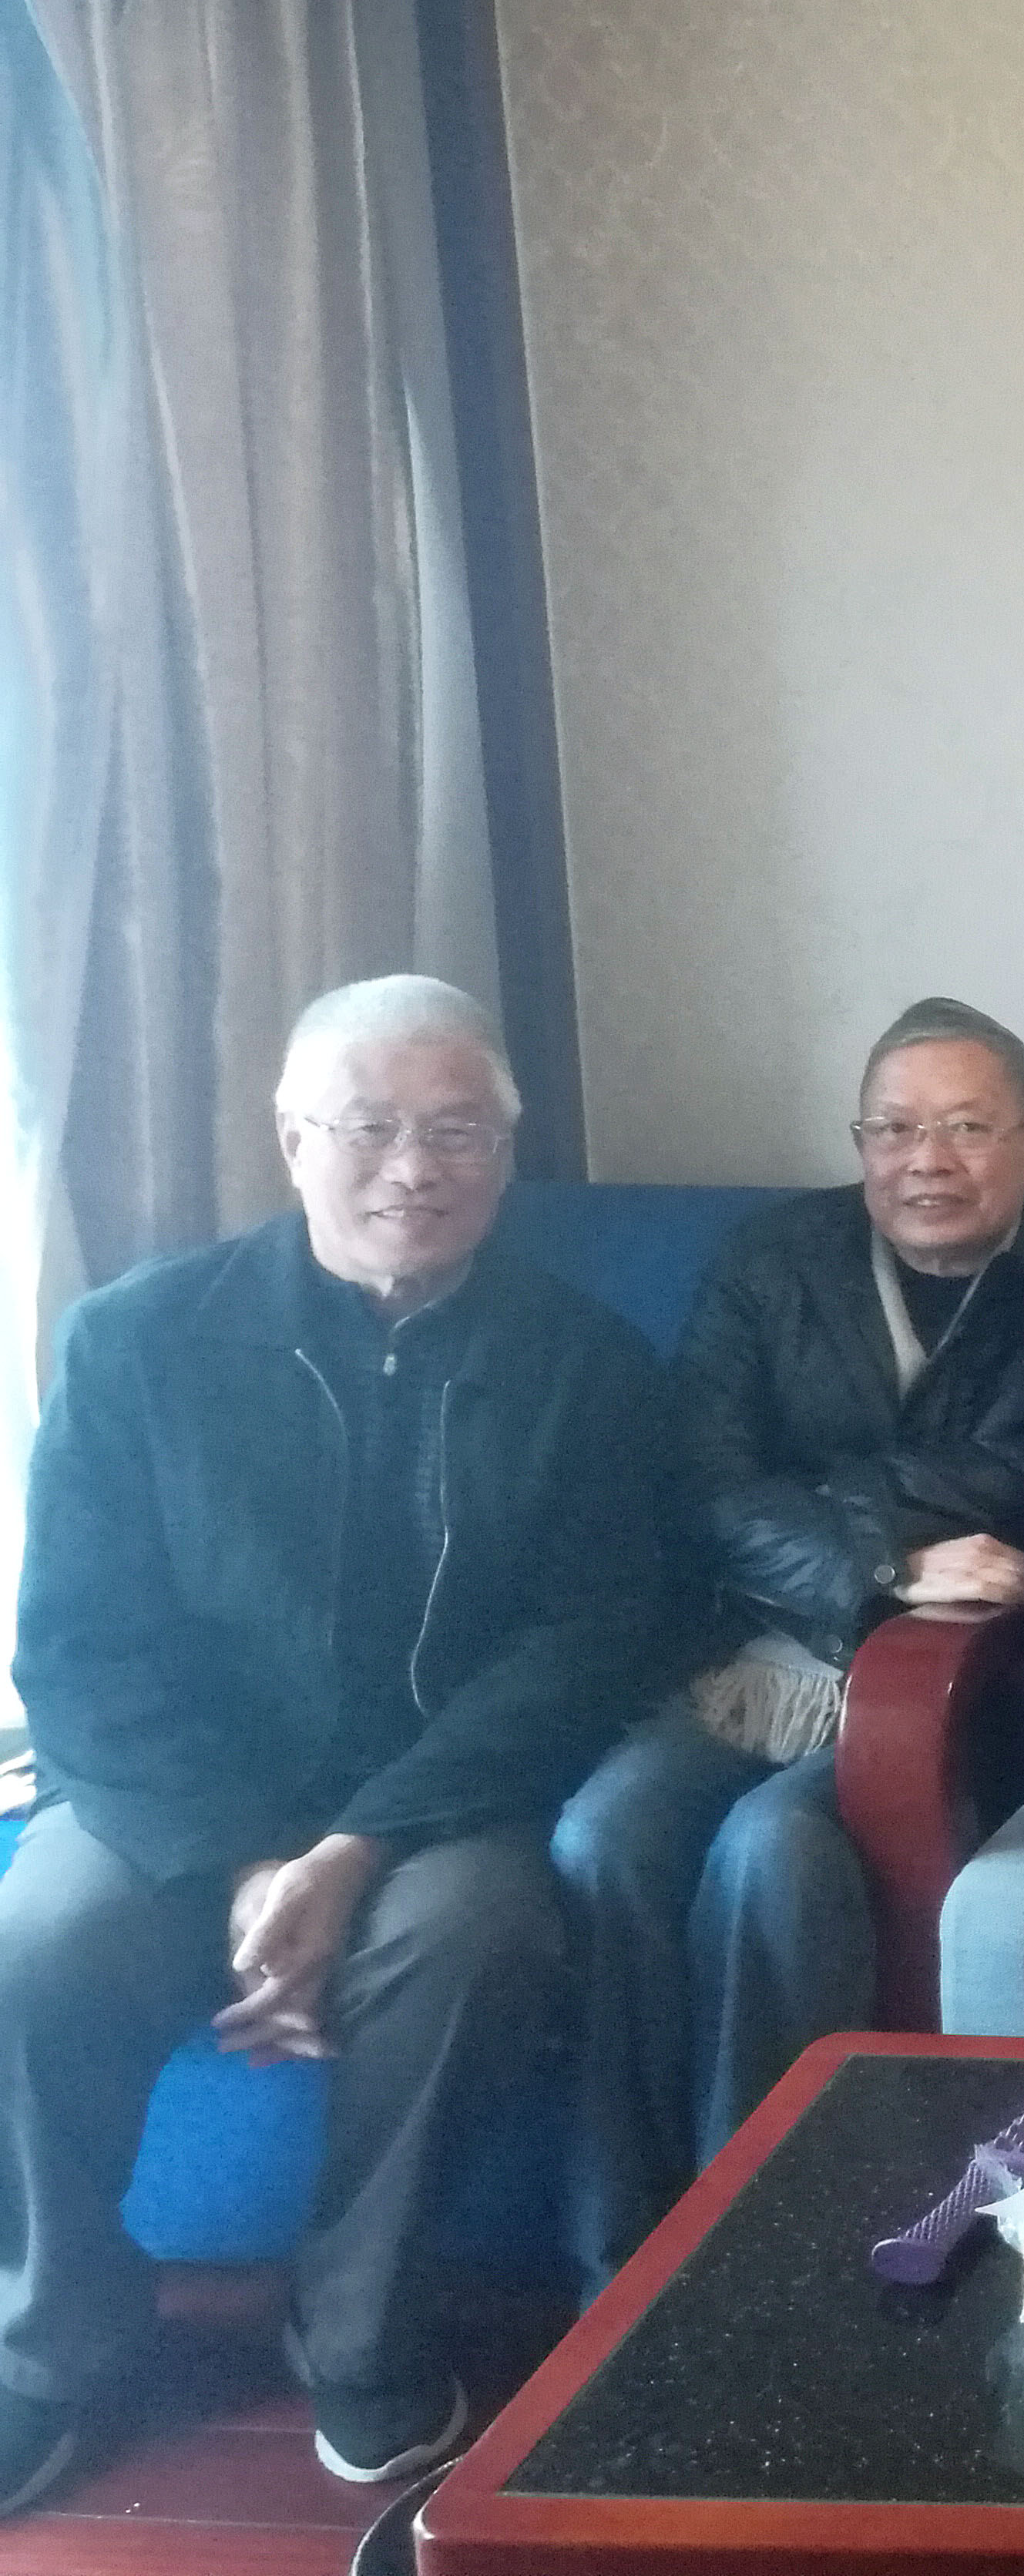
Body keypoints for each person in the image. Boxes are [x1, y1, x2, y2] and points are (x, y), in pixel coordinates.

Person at [0, 977, 676, 2507]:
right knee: (38, 1943)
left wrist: (357, 1847)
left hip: (439, 1805)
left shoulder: (587, 1367)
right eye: (369, 1128)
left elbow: (589, 1642)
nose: (414, 1170)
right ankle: (49, 2347)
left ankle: (361, 2333)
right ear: (292, 1137)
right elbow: (80, 1648)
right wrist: (248, 1864)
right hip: (172, 1801)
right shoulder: (135, 1342)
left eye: (458, 1133)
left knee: (474, 1942)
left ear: (505, 1154)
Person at [552, 997, 1024, 2285]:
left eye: (967, 1128)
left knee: (772, 1852)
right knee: (604, 1835)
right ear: (859, 1143)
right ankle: (615, 2261)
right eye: (894, 1130)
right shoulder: (773, 1261)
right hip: (744, 1655)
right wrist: (883, 1560)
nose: (927, 1161)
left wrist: (813, 1499)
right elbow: (700, 1483)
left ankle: (749, 2254)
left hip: (942, 1689)